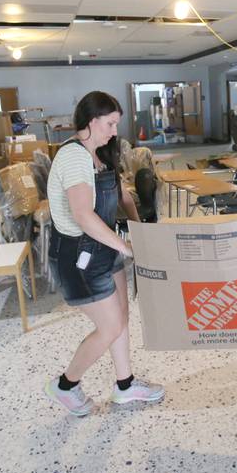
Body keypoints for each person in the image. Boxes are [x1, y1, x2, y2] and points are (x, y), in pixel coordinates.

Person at [45, 90, 164, 416]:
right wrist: (126, 247)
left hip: (103, 244)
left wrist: (141, 231)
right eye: (110, 123)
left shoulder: (99, 152)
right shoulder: (73, 157)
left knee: (121, 319)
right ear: (91, 120)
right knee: (109, 326)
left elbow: (123, 195)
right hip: (80, 255)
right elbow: (83, 216)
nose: (115, 131)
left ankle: (125, 386)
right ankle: (65, 385)